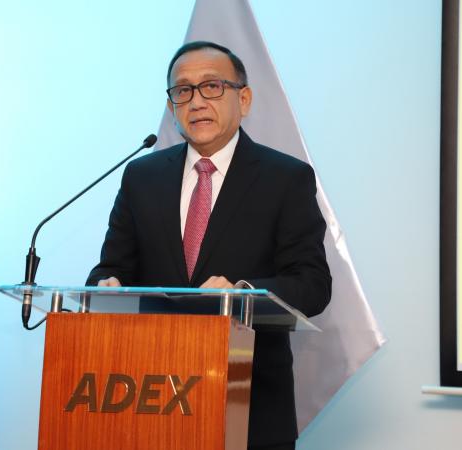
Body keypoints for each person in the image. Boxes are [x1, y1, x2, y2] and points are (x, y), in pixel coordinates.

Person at [87, 41, 331, 450]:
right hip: (151, 400)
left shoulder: (286, 178)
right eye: (183, 90)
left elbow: (312, 285)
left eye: (212, 86)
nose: (197, 101)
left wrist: (243, 294)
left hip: (248, 405)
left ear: (244, 99)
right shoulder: (142, 177)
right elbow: (111, 267)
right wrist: (105, 284)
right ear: (172, 107)